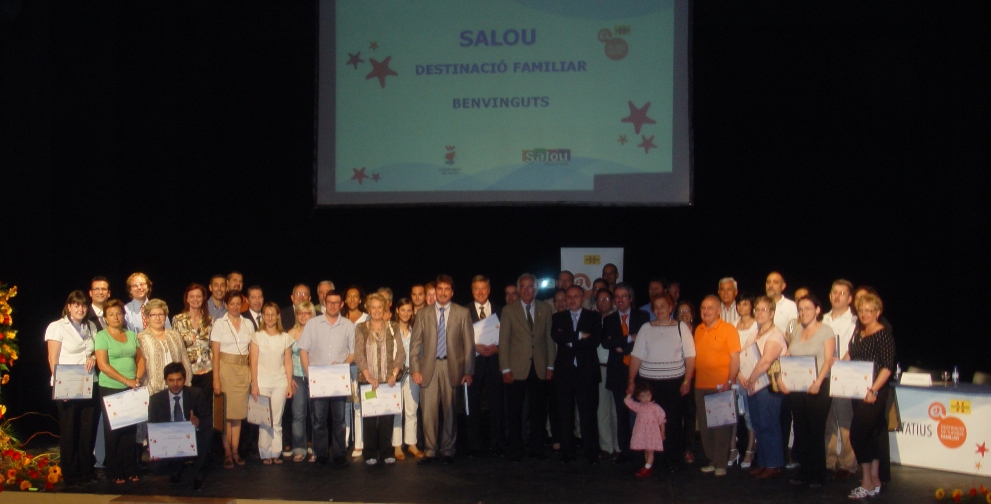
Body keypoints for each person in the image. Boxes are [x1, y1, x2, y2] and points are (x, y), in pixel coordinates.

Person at [410, 274, 474, 464]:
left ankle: (447, 450)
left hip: (451, 367)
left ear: (452, 292)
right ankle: (430, 450)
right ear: (435, 291)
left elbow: (469, 345)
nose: (443, 292)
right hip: (428, 367)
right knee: (428, 413)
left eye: (447, 289)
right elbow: (415, 345)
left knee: (450, 412)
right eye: (440, 289)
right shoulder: (423, 314)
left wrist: (468, 371)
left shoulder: (462, 313)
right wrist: (415, 369)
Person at [626, 293, 694, 472]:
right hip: (650, 385)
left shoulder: (681, 327)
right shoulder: (646, 328)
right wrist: (631, 381)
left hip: (673, 384)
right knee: (649, 424)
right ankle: (651, 462)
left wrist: (687, 380)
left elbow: (690, 357)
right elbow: (636, 356)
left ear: (671, 308)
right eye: (656, 307)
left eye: (663, 306)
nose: (659, 310)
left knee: (672, 423)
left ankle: (672, 461)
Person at [780, 295, 835, 488]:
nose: (803, 312)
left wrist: (818, 382)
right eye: (800, 309)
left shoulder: (826, 331)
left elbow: (828, 360)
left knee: (815, 431)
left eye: (807, 308)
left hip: (818, 387)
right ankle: (804, 472)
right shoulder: (797, 330)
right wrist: (780, 377)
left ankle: (817, 474)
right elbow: (787, 356)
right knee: (801, 430)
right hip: (797, 387)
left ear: (817, 310)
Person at [45, 290, 100, 486]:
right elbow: (53, 358)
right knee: (70, 430)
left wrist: (93, 357)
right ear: (69, 307)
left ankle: (87, 470)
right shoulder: (57, 326)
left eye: (84, 305)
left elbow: (96, 350)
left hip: (89, 383)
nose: (80, 309)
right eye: (76, 305)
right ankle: (71, 473)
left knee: (88, 429)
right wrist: (62, 387)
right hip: (67, 384)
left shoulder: (91, 326)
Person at [499, 273, 555, 461]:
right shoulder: (509, 310)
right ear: (518, 289)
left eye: (530, 286)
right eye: (523, 286)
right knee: (514, 411)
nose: (526, 290)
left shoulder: (545, 309)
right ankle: (515, 449)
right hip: (516, 368)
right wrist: (505, 369)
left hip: (539, 366)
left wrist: (550, 365)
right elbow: (504, 341)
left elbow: (549, 339)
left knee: (538, 410)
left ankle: (536, 448)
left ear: (536, 289)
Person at [845, 293, 895, 500]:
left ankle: (866, 481)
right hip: (857, 391)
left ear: (877, 312)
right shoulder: (859, 331)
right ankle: (874, 479)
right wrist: (839, 365)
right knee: (870, 436)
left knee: (857, 435)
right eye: (861, 310)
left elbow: (887, 367)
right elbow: (851, 355)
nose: (864, 314)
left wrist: (873, 390)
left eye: (869, 310)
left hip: (874, 392)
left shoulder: (883, 334)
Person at [298, 289, 355, 466]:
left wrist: (343, 364)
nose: (333, 305)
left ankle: (340, 454)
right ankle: (321, 454)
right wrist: (309, 375)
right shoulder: (312, 324)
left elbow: (353, 352)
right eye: (330, 302)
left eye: (336, 303)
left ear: (341, 304)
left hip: (338, 380)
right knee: (318, 420)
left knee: (339, 420)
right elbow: (303, 350)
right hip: (319, 380)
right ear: (324, 303)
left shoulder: (348, 325)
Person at [94, 299, 145, 484]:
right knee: (114, 430)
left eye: (118, 313)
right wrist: (126, 380)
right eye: (111, 314)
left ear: (123, 316)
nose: (116, 317)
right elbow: (102, 365)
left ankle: (130, 469)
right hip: (111, 387)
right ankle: (115, 471)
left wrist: (137, 379)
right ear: (105, 318)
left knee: (130, 429)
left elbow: (140, 359)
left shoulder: (131, 335)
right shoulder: (102, 336)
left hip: (132, 387)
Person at [552, 285, 603, 464]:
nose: (572, 300)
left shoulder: (594, 317)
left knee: (588, 414)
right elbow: (557, 337)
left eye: (576, 296)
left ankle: (591, 451)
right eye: (569, 297)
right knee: (565, 413)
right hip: (565, 372)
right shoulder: (558, 317)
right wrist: (581, 335)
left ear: (583, 298)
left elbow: (595, 341)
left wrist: (570, 339)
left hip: (586, 372)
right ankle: (568, 451)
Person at [739, 296, 789, 479]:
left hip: (768, 388)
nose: (759, 313)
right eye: (757, 309)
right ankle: (763, 462)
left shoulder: (775, 334)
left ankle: (774, 464)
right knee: (758, 425)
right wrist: (741, 376)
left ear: (772, 313)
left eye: (764, 310)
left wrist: (751, 379)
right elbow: (743, 356)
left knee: (769, 425)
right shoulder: (755, 333)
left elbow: (766, 361)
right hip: (754, 386)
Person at [354, 293, 406, 465]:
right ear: (368, 309)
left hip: (388, 382)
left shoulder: (393, 327)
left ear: (384, 309)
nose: (376, 310)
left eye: (379, 307)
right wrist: (368, 376)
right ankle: (369, 453)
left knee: (386, 418)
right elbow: (359, 354)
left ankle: (386, 452)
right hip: (367, 382)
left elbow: (401, 353)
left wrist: (394, 374)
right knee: (369, 418)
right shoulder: (361, 328)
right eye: (373, 307)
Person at [693, 295, 741, 477]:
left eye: (710, 308)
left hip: (721, 386)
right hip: (701, 385)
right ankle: (712, 460)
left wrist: (730, 381)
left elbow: (735, 357)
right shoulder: (698, 330)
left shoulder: (728, 330)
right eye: (703, 308)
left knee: (721, 427)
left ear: (719, 310)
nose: (706, 311)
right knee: (705, 427)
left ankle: (721, 464)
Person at [602, 283, 650, 463]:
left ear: (630, 298)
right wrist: (630, 337)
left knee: (641, 413)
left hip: (639, 373)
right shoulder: (609, 319)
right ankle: (625, 450)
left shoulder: (642, 316)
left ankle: (641, 450)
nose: (620, 300)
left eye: (624, 296)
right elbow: (607, 343)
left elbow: (644, 341)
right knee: (621, 414)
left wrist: (623, 347)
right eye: (617, 297)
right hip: (618, 373)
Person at [148, 362, 213, 491]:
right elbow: (152, 427)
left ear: (184, 379)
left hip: (190, 438)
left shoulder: (195, 394)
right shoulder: (156, 400)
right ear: (166, 381)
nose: (175, 384)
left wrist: (198, 423)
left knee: (207, 435)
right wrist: (154, 448)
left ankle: (198, 478)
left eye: (179, 380)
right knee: (155, 466)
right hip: (169, 441)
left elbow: (207, 420)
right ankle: (175, 470)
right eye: (171, 380)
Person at [210, 291, 254, 468]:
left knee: (238, 414)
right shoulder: (219, 324)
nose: (235, 307)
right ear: (226, 305)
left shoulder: (248, 323)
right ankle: (227, 452)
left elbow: (253, 350)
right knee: (226, 415)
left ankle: (235, 450)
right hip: (225, 369)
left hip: (243, 370)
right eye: (232, 303)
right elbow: (215, 354)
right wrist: (216, 379)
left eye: (238, 303)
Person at [250, 301, 295, 464]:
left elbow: (288, 362)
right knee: (265, 420)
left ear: (278, 316)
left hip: (280, 382)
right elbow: (253, 362)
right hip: (262, 382)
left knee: (277, 420)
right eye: (266, 314)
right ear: (263, 316)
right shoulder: (257, 336)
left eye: (272, 314)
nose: (270, 317)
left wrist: (289, 384)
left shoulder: (285, 337)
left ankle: (276, 452)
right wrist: (254, 385)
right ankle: (265, 453)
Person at [822, 279, 858, 479]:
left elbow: (854, 348)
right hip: (825, 374)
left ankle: (848, 464)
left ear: (850, 298)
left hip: (844, 374)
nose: (837, 296)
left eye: (842, 293)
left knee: (845, 421)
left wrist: (841, 363)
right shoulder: (822, 319)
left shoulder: (854, 321)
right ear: (829, 296)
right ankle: (828, 460)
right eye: (834, 292)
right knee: (827, 420)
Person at [467, 275, 505, 456]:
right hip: (473, 366)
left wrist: (497, 349)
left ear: (489, 290)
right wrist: (473, 346)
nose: (480, 292)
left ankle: (496, 444)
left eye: (483, 288)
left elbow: (508, 337)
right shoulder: (464, 311)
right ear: (472, 291)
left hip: (495, 364)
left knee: (496, 406)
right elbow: (458, 338)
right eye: (477, 289)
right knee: (473, 406)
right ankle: (474, 445)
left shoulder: (500, 311)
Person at [138, 299, 192, 398]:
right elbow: (140, 365)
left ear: (165, 316)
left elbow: (185, 361)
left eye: (161, 314)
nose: (157, 318)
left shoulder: (175, 335)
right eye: (153, 315)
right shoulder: (141, 338)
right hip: (153, 391)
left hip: (177, 388)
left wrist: (187, 383)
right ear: (147, 318)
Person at [391, 298, 424, 460]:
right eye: (402, 310)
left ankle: (411, 444)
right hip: (395, 375)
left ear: (412, 312)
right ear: (397, 311)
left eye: (409, 310)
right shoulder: (390, 329)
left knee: (412, 409)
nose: (405, 313)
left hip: (412, 373)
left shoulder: (416, 329)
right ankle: (397, 445)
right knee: (397, 409)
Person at [173, 283, 214, 395]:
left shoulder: (210, 321)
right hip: (186, 372)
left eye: (198, 296)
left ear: (203, 298)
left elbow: (212, 348)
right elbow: (176, 348)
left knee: (205, 404)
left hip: (207, 371)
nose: (195, 299)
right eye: (192, 296)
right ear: (187, 299)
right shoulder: (178, 320)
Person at [287, 301, 315, 462]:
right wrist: (289, 378)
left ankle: (316, 449)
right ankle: (299, 448)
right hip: (297, 377)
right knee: (298, 414)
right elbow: (286, 359)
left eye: (307, 313)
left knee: (316, 415)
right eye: (300, 313)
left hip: (315, 377)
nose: (303, 316)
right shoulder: (291, 333)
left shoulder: (317, 332)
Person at [734, 292, 759, 469]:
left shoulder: (758, 325)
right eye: (739, 304)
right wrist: (738, 374)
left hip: (752, 376)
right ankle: (733, 449)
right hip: (736, 375)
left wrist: (749, 376)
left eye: (745, 304)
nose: (741, 307)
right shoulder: (732, 325)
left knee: (750, 415)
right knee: (735, 414)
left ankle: (750, 449)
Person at [625, 382, 666, 479]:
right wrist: (630, 392)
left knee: (650, 451)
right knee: (646, 450)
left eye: (648, 395)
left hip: (652, 433)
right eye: (643, 396)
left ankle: (647, 468)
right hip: (643, 432)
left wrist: (662, 432)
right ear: (638, 397)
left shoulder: (655, 407)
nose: (646, 398)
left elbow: (661, 420)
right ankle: (648, 466)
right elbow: (627, 401)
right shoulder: (638, 406)